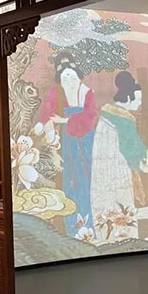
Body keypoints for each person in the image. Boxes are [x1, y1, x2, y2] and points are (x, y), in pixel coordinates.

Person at [91, 71, 148, 241]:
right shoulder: (124, 118)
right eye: (138, 99)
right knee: (121, 203)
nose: (140, 103)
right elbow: (130, 146)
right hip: (117, 169)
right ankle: (124, 240)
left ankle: (106, 238)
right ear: (128, 97)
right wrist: (142, 164)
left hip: (102, 170)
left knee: (106, 205)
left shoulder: (108, 113)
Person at [40, 51, 97, 236]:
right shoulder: (57, 92)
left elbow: (89, 117)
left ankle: (93, 225)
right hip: (67, 143)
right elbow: (47, 113)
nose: (69, 81)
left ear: (77, 74)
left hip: (86, 141)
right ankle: (74, 228)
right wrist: (46, 129)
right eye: (64, 77)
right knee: (71, 181)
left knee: (89, 179)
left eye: (72, 76)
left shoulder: (87, 92)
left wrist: (65, 120)